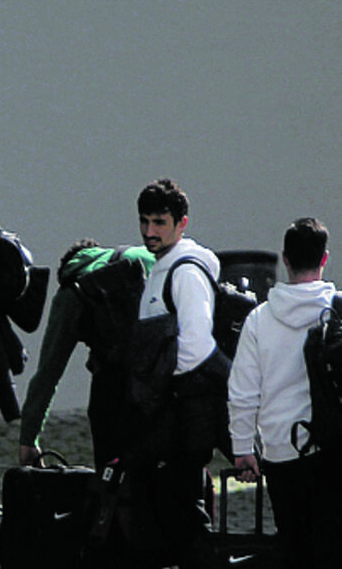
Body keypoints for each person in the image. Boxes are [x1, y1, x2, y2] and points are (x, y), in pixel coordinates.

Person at [229, 217, 342, 567]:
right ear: (324, 258)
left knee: (293, 545)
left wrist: (243, 448)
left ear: (285, 259)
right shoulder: (338, 311)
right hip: (334, 447)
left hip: (281, 451)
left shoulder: (260, 320)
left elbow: (243, 391)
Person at [129, 177, 221, 567]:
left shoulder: (184, 271)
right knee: (169, 510)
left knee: (184, 514)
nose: (150, 231)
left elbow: (197, 345)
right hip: (168, 413)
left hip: (180, 415)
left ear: (182, 223)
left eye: (160, 222)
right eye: (144, 222)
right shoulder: (163, 266)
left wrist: (160, 386)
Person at [19, 240, 155, 467]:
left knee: (112, 473)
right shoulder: (142, 256)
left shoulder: (74, 291)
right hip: (162, 379)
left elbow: (48, 373)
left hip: (114, 388)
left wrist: (28, 439)